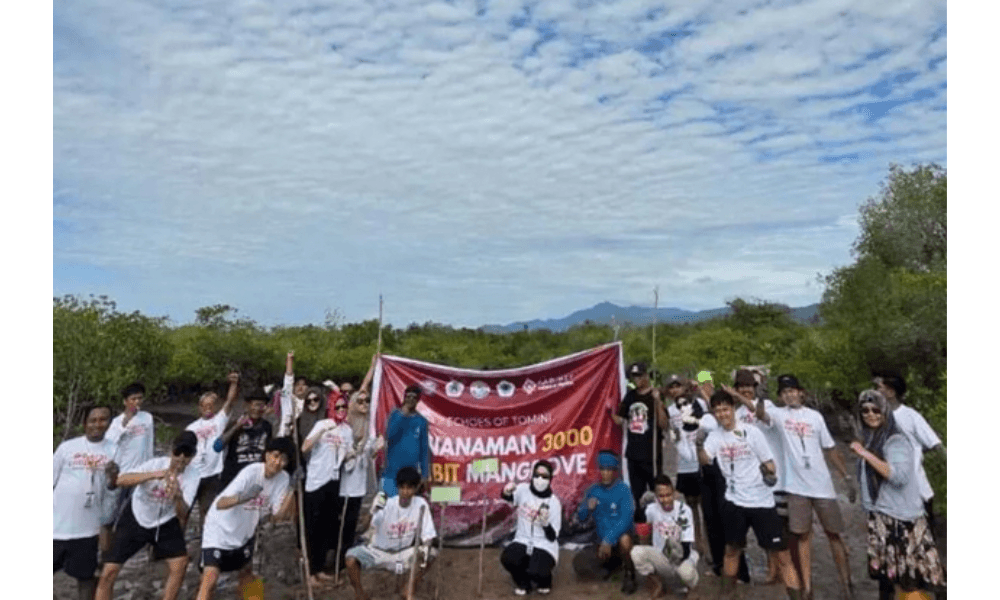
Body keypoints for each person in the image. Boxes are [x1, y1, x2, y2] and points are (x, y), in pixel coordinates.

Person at [756, 374, 857, 600]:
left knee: (834, 534)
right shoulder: (779, 415)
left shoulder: (816, 417)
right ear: (781, 396)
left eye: (793, 390)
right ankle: (807, 587)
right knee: (802, 537)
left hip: (822, 486)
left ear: (801, 392)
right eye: (784, 392)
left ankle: (846, 583)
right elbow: (760, 414)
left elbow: (830, 448)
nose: (790, 394)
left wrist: (846, 477)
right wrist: (762, 395)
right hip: (796, 487)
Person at [697, 390, 802, 599]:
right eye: (717, 411)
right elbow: (704, 459)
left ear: (732, 409)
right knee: (731, 551)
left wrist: (769, 474)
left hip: (761, 502)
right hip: (734, 502)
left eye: (725, 409)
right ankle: (728, 595)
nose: (722, 414)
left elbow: (769, 462)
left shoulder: (751, 432)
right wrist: (699, 442)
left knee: (782, 556)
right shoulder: (715, 437)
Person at [850, 390, 945, 600]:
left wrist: (864, 454)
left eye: (876, 410)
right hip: (883, 516)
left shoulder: (896, 439)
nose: (870, 414)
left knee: (908, 580)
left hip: (903, 520)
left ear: (885, 412)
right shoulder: (872, 438)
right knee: (889, 581)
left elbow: (898, 477)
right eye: (865, 410)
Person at [95, 431, 201, 600]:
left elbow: (183, 512)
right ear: (171, 451)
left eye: (187, 454)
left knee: (179, 565)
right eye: (178, 452)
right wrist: (153, 475)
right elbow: (120, 481)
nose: (181, 458)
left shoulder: (194, 476)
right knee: (109, 571)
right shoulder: (155, 464)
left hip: (165, 521)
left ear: (193, 456)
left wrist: (177, 496)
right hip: (137, 516)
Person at [195, 437, 296, 600]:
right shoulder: (252, 472)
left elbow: (277, 517)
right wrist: (244, 497)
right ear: (267, 455)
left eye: (283, 459)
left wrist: (292, 490)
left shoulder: (283, 478)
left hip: (244, 533)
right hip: (219, 529)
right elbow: (221, 503)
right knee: (210, 579)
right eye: (275, 456)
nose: (277, 463)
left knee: (248, 575)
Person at [54, 405, 120, 600]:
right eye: (93, 420)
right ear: (84, 423)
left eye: (103, 419)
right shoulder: (67, 447)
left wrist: (112, 480)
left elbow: (112, 493)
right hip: (55, 527)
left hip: (87, 530)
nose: (98, 425)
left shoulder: (114, 450)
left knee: (86, 579)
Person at [345, 466, 437, 600]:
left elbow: (428, 535)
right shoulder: (385, 503)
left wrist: (424, 549)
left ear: (416, 488)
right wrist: (372, 512)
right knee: (351, 558)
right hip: (379, 552)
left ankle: (408, 589)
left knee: (431, 553)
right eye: (402, 488)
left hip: (404, 553)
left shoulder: (421, 504)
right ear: (398, 487)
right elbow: (365, 527)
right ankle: (360, 594)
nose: (405, 492)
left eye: (410, 488)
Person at [873, 373, 946, 532]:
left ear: (891, 392)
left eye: (880, 388)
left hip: (916, 492)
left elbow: (935, 443)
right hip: (889, 494)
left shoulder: (910, 416)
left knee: (921, 544)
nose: (876, 392)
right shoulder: (876, 418)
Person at [300, 393, 354, 587]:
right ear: (331, 407)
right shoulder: (322, 424)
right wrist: (321, 431)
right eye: (337, 407)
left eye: (343, 407)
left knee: (327, 526)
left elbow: (347, 454)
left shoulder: (347, 430)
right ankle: (310, 572)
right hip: (315, 481)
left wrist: (354, 453)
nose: (340, 411)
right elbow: (305, 447)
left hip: (334, 480)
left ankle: (320, 568)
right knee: (313, 528)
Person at [571, 450, 638, 594]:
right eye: (602, 469)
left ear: (615, 471)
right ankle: (613, 565)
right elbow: (580, 518)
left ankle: (630, 575)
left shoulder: (623, 490)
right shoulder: (593, 490)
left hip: (618, 540)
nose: (605, 473)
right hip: (602, 543)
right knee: (579, 563)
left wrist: (609, 539)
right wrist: (586, 508)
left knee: (625, 540)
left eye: (609, 469)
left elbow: (626, 520)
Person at [103, 382, 155, 552]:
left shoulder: (147, 418)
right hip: (123, 474)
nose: (137, 402)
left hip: (142, 472)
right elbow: (110, 444)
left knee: (143, 510)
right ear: (125, 401)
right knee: (113, 513)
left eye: (140, 398)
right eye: (133, 399)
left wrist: (150, 468)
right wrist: (127, 420)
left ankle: (145, 546)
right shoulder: (117, 422)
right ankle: (108, 549)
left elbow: (149, 444)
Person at [612, 362, 668, 521]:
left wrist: (657, 402)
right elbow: (619, 419)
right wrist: (608, 407)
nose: (637, 379)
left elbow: (663, 424)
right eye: (634, 376)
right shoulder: (630, 396)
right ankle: (641, 527)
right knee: (637, 495)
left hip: (652, 455)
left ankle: (660, 524)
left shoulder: (656, 394)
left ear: (646, 375)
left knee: (658, 492)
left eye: (640, 375)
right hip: (634, 455)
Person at [338, 388, 384, 575]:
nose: (364, 405)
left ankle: (350, 559)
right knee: (343, 523)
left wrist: (374, 448)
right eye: (360, 402)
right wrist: (354, 451)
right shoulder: (345, 427)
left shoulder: (369, 426)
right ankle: (339, 561)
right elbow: (341, 457)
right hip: (345, 484)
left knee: (354, 522)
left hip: (361, 483)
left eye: (367, 401)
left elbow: (368, 457)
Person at [500, 460, 563, 596]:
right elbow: (508, 497)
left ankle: (545, 581)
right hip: (522, 539)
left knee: (537, 571)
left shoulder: (554, 503)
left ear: (550, 479)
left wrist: (545, 524)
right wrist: (506, 491)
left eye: (544, 476)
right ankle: (524, 583)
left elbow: (552, 537)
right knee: (508, 558)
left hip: (544, 544)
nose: (540, 479)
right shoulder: (523, 489)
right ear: (532, 475)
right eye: (537, 474)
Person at [630, 475, 700, 598]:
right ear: (656, 497)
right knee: (636, 552)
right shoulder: (652, 509)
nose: (666, 500)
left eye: (668, 495)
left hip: (682, 555)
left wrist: (677, 555)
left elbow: (687, 546)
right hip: (662, 556)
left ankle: (689, 587)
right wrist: (643, 504)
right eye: (661, 496)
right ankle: (658, 583)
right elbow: (636, 517)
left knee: (686, 573)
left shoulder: (684, 510)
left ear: (673, 493)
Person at [185, 371, 239, 530]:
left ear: (215, 407)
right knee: (185, 510)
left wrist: (234, 383)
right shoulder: (191, 427)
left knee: (206, 511)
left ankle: (204, 545)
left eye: (211, 405)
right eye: (205, 405)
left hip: (212, 475)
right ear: (200, 408)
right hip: (193, 475)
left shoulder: (219, 421)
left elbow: (230, 401)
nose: (208, 408)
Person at [664, 373, 708, 555]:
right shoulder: (670, 410)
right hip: (684, 464)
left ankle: (709, 542)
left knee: (707, 505)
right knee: (691, 507)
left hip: (702, 461)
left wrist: (699, 388)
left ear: (684, 388)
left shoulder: (699, 404)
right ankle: (698, 542)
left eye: (678, 386)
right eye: (671, 387)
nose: (675, 390)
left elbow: (711, 409)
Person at [382, 384, 431, 496]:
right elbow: (389, 436)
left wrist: (424, 474)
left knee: (407, 508)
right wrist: (403, 414)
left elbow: (424, 450)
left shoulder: (422, 421)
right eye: (408, 397)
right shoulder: (395, 415)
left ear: (418, 401)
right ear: (404, 398)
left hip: (411, 474)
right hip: (391, 473)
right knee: (390, 506)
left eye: (414, 398)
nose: (410, 400)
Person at [216, 393, 273, 489]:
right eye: (256, 405)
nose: (259, 408)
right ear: (247, 406)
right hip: (233, 477)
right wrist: (236, 427)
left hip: (255, 478)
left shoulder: (267, 426)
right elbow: (217, 447)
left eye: (262, 405)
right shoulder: (235, 423)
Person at [278, 351, 310, 437]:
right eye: (297, 385)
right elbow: (288, 381)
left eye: (303, 385)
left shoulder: (311, 402)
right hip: (285, 437)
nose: (300, 387)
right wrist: (289, 361)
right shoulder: (287, 398)